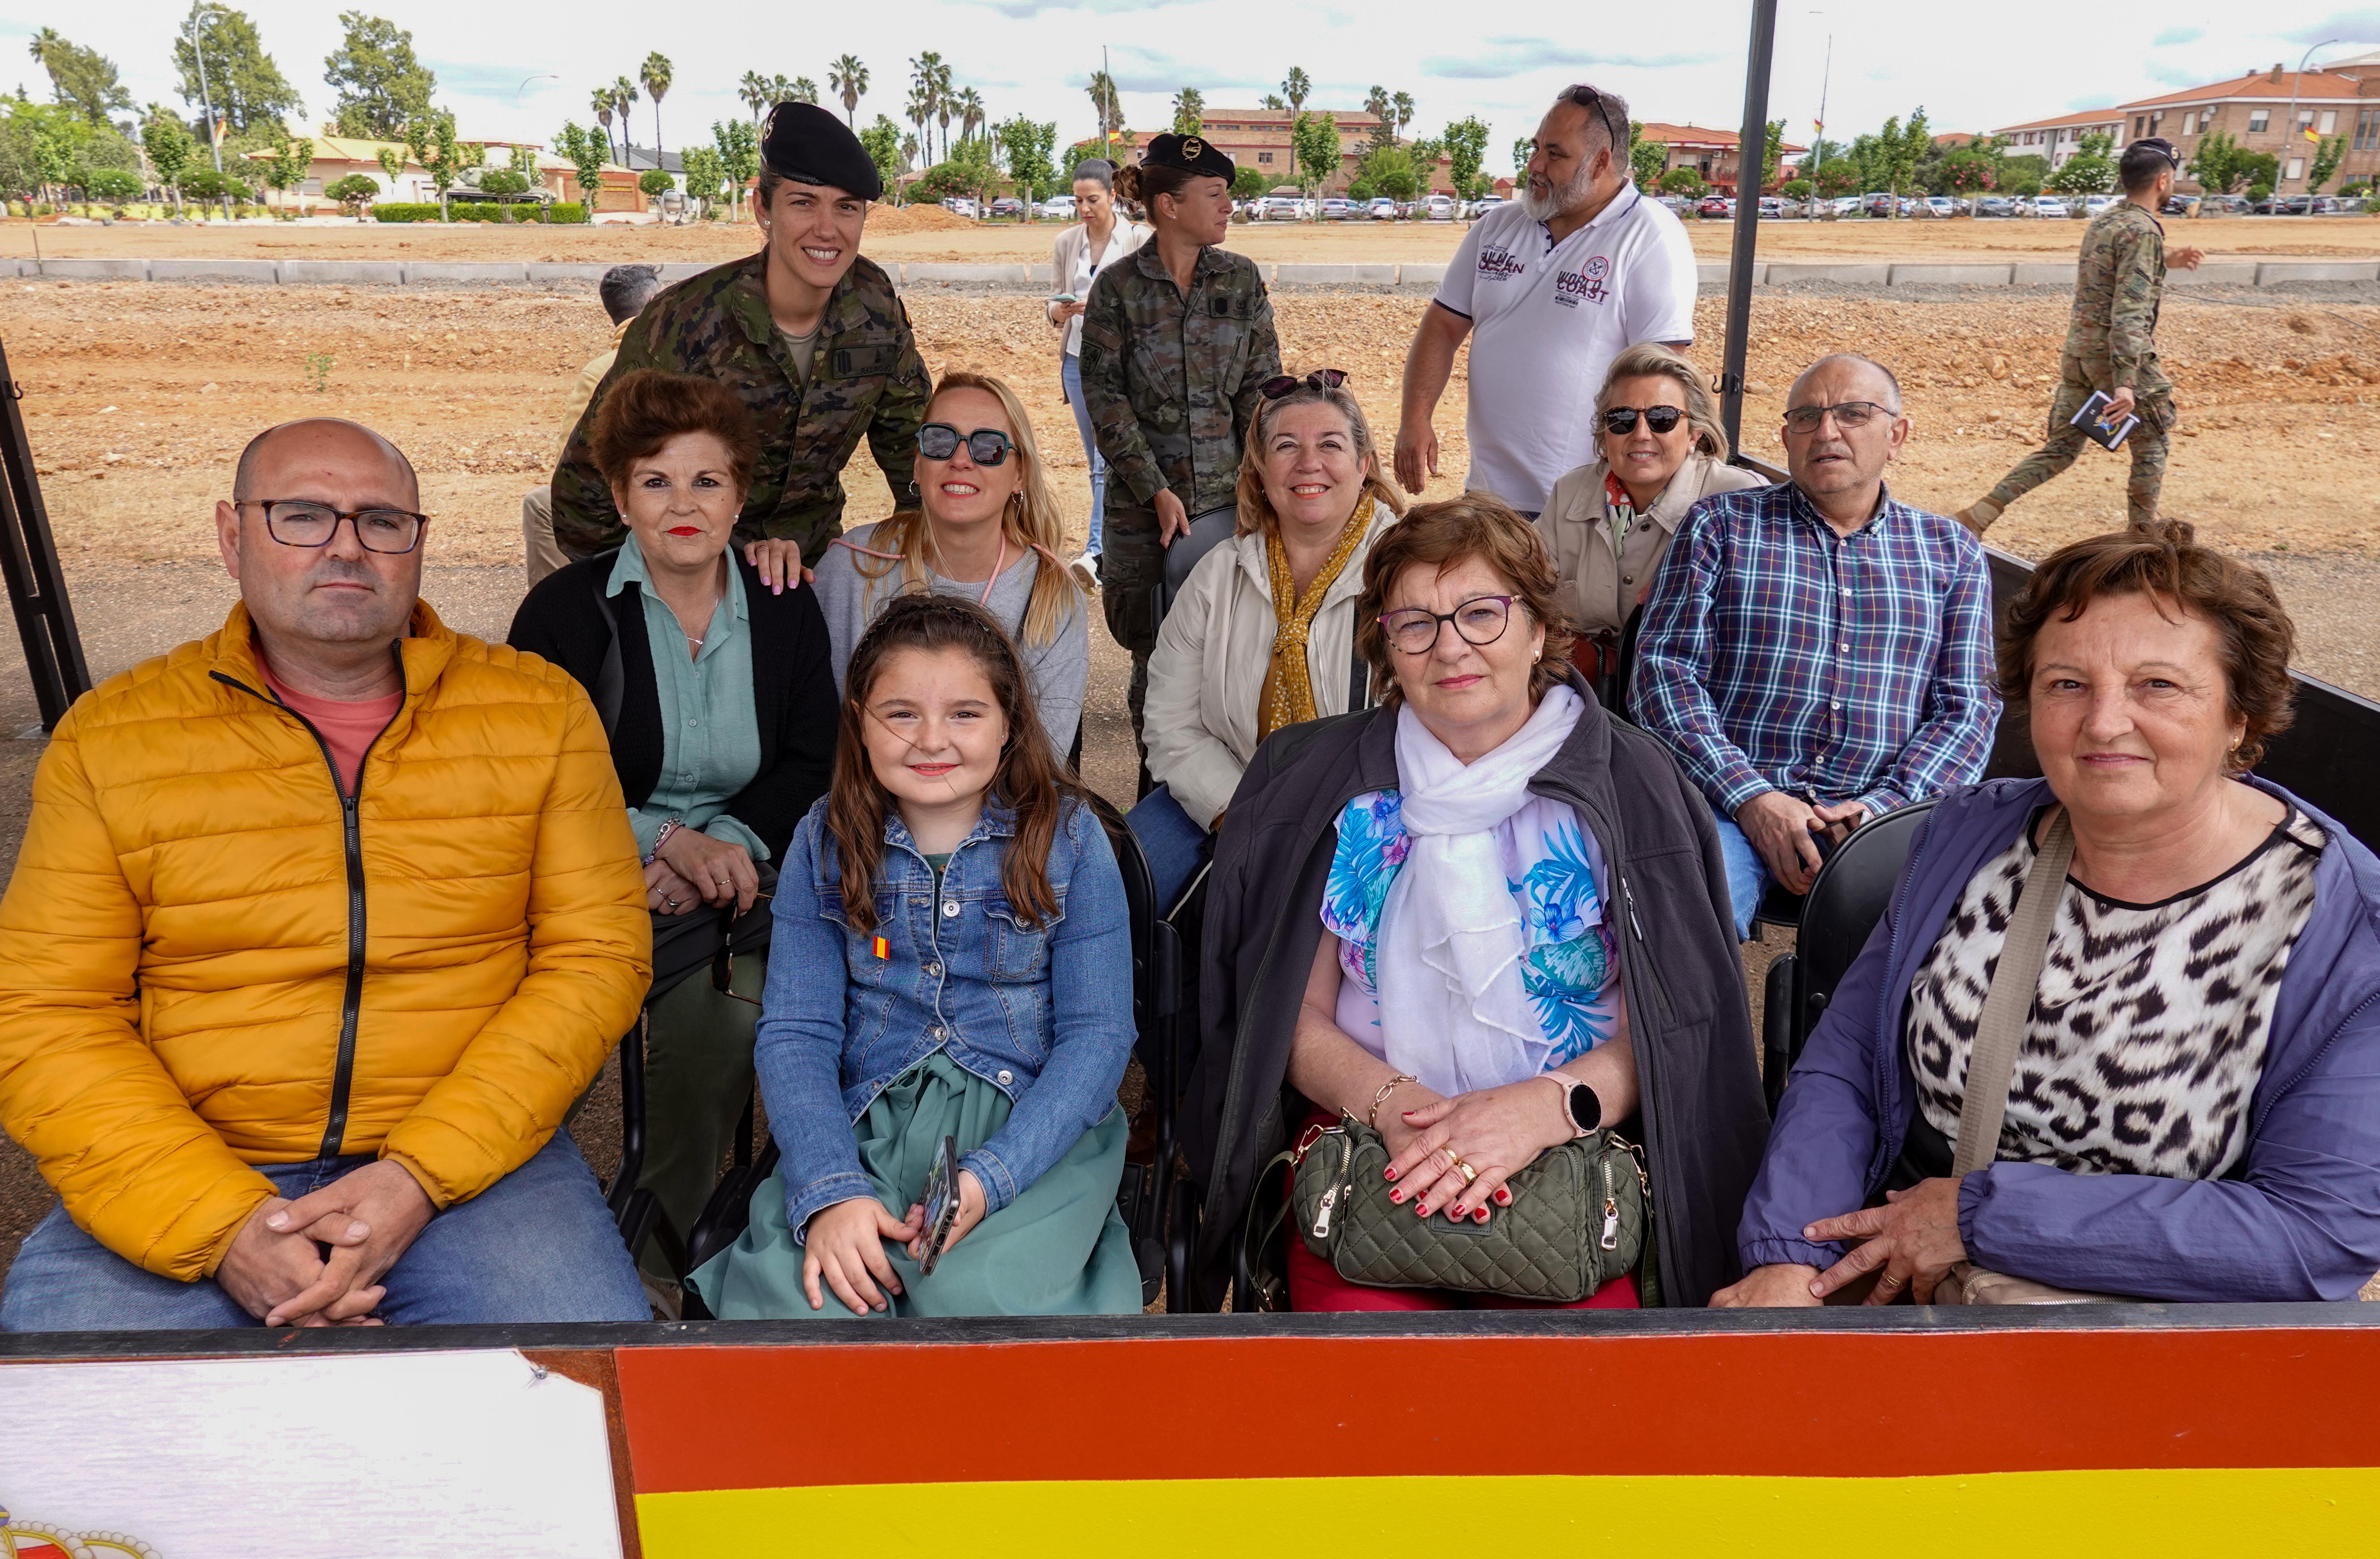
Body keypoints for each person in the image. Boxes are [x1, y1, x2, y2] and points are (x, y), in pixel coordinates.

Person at [0, 418, 652, 1331]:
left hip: (471, 1173)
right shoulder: (112, 739)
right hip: (190, 1161)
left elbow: (598, 959)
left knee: (580, 1412)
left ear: (418, 544)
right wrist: (224, 1225)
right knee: (76, 1443)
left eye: (382, 522)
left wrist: (416, 1178)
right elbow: (48, 1012)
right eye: (301, 516)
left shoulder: (538, 714)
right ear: (233, 538)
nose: (347, 546)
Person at [1719, 521, 2380, 1307]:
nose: (2102, 723)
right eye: (2065, 684)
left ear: (2239, 715)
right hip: (1906, 1283)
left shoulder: (2343, 925)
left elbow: (2316, 1235)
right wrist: (1792, 1253)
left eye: (2156, 685)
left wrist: (1981, 1217)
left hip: (2159, 1339)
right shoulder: (1968, 837)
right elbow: (1851, 1063)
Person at [1183, 496, 1768, 1312]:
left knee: (1574, 1399)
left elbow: (1675, 1034)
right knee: (1364, 1392)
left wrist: (1542, 1110)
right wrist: (1401, 1109)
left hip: (1574, 1150)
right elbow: (1289, 1013)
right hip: (1370, 1146)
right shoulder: (1323, 785)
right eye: (1415, 622)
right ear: (1386, 646)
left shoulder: (1634, 789)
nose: (1449, 646)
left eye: (1480, 614)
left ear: (1537, 628)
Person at [688, 593, 1142, 1318]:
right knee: (816, 1304)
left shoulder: (1072, 840)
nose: (932, 739)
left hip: (1025, 1127)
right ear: (860, 724)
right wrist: (832, 1189)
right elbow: (798, 1033)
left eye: (965, 713)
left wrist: (992, 1176)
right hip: (867, 1125)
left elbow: (1099, 1036)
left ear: (1008, 724)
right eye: (901, 713)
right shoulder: (824, 841)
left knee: (979, 1302)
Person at [508, 370, 839, 1282]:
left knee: (731, 1025)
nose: (683, 504)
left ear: (740, 497)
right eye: (656, 481)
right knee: (531, 1047)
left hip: (737, 889)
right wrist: (659, 840)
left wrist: (723, 843)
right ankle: (493, 1224)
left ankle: (654, 1266)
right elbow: (532, 780)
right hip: (586, 884)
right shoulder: (564, 616)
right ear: (620, 498)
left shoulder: (783, 604)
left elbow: (815, 760)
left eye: (706, 481)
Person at [1631, 353, 1998, 941]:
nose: (1827, 431)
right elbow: (1663, 676)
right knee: (1684, 932)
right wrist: (1754, 800)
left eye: (1853, 414)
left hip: (1887, 816)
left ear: (1896, 435)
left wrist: (1882, 812)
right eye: (1807, 417)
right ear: (1786, 438)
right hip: (1729, 805)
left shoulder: (1950, 552)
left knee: (1946, 955)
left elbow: (1968, 712)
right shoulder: (1721, 528)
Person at [550, 101, 931, 570]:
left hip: (808, 568)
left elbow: (915, 453)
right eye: (803, 203)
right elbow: (586, 493)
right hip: (691, 571)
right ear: (762, 210)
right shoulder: (684, 321)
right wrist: (644, 600)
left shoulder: (874, 305)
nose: (827, 230)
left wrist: (921, 558)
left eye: (846, 207)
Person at [1137, 368, 1402, 904]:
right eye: (1286, 446)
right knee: (1122, 883)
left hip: (1374, 811)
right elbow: (1170, 720)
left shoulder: (1410, 571)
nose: (1308, 463)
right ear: (1260, 472)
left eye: (1330, 444)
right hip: (1231, 793)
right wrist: (1236, 812)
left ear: (1364, 465)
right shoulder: (1217, 575)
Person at [1078, 131, 1283, 783]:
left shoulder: (1242, 280)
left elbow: (1261, 392)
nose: (1229, 208)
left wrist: (1270, 486)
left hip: (1229, 507)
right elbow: (1105, 399)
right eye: (1216, 195)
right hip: (1144, 514)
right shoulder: (1118, 290)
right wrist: (1154, 489)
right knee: (1153, 656)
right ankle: (1156, 793)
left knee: (1230, 651)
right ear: (1169, 205)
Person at [1394, 83, 1697, 519]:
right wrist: (1415, 419)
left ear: (1600, 162)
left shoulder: (1650, 236)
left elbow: (1664, 374)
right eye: (1534, 148)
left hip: (1586, 506)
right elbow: (1442, 327)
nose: (1534, 165)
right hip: (1486, 498)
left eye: (1554, 154)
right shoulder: (1496, 227)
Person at [809, 371, 1089, 755]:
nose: (960, 460)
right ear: (918, 465)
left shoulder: (1051, 594)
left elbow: (1046, 761)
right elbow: (816, 739)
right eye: (940, 440)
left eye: (988, 447)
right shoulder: (850, 568)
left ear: (1020, 474)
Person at [1954, 138, 2204, 536]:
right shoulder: (2143, 232)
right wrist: (2125, 385)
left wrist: (2166, 260)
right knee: (2152, 442)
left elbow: (2106, 280)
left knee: (2062, 449)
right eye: (2173, 179)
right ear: (2163, 181)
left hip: (2079, 357)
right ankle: (2141, 543)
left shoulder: (2107, 221)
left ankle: (1980, 514)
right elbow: (2128, 312)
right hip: (2114, 361)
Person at [1536, 342, 1763, 672]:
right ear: (1605, 434)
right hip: (1585, 693)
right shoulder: (1570, 493)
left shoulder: (1739, 499)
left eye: (1662, 418)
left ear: (1694, 434)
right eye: (1622, 418)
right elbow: (1524, 588)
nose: (1641, 434)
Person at [523, 263, 664, 587]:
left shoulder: (599, 372)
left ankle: (556, 613)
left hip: (628, 511)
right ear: (657, 300)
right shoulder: (696, 354)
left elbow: (569, 471)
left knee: (542, 504)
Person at [1046, 159, 1151, 589]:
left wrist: (1102, 308)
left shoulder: (1139, 238)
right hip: (1077, 360)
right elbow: (1051, 305)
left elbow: (1148, 302)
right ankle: (1114, 545)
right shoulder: (1066, 242)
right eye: (1078, 201)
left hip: (1121, 363)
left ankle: (1096, 553)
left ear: (1112, 195)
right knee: (1097, 463)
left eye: (1092, 200)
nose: (1085, 209)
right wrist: (1062, 310)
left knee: (1110, 460)